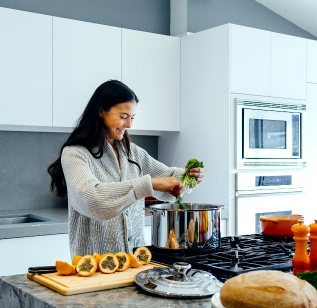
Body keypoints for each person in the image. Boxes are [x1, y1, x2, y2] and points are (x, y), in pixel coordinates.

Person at [48, 80, 204, 258]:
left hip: (136, 262)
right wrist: (149, 184)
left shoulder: (132, 152)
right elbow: (92, 200)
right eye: (123, 117)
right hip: (94, 267)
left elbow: (166, 180)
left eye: (132, 117)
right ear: (101, 111)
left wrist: (187, 177)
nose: (129, 125)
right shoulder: (75, 153)